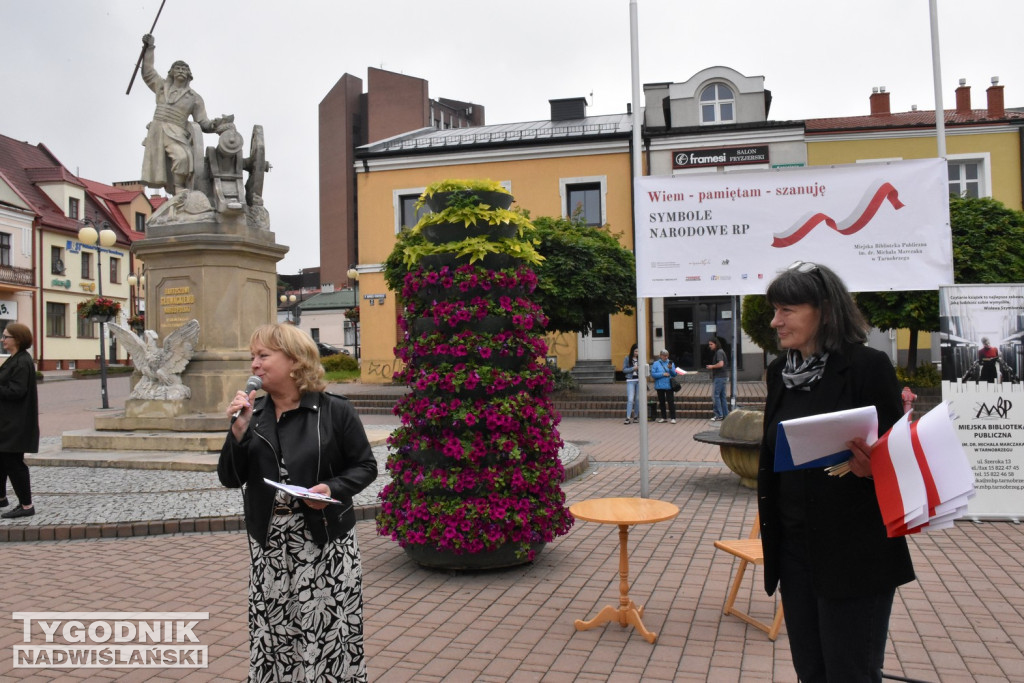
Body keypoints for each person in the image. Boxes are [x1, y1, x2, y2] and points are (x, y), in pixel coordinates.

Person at [758, 261, 915, 682]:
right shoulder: (779, 374)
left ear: (825, 311)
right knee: (811, 670)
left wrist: (871, 468)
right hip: (794, 552)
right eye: (775, 310)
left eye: (786, 310)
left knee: (851, 673)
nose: (775, 321)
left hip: (854, 553)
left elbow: (900, 462)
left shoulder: (867, 367)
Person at [219, 323, 377, 682]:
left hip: (323, 543)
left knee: (327, 635)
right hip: (270, 546)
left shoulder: (335, 411)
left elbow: (366, 466)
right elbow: (230, 477)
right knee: (273, 635)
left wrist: (332, 490)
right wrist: (237, 434)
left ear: (294, 360)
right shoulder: (253, 417)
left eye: (263, 356)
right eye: (252, 358)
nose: (255, 365)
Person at [139, 33, 230, 196]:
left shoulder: (194, 98)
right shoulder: (161, 86)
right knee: (162, 164)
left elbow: (203, 122)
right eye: (178, 68)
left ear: (189, 75)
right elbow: (148, 72)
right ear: (172, 72)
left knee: (182, 158)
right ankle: (177, 191)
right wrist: (149, 48)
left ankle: (179, 187)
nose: (181, 71)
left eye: (184, 69)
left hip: (177, 132)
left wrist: (216, 125)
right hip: (158, 131)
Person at [0, 323, 40, 519]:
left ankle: (26, 505)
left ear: (17, 339)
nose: (2, 339)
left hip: (15, 424)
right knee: (2, 459)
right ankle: (1, 498)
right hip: (9, 421)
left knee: (14, 463)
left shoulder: (22, 362)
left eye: (6, 336)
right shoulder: (16, 359)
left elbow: (17, 391)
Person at [706, 337, 730, 422]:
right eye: (709, 344)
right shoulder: (720, 351)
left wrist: (712, 366)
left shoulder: (719, 352)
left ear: (716, 344)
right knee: (722, 396)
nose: (710, 346)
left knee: (715, 396)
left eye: (711, 344)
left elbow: (721, 364)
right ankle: (725, 414)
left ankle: (719, 415)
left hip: (719, 377)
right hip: (723, 376)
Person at [651, 349, 677, 424]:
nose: (666, 357)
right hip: (659, 385)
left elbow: (674, 374)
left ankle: (673, 418)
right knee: (661, 402)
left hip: (669, 385)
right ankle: (664, 417)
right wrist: (662, 374)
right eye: (664, 355)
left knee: (670, 401)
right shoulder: (656, 363)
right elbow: (653, 374)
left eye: (667, 355)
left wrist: (670, 369)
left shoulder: (670, 363)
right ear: (660, 356)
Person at [623, 343, 641, 424]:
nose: (637, 353)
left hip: (639, 380)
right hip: (630, 380)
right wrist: (634, 368)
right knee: (630, 399)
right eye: (635, 351)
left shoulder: (641, 358)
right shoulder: (627, 358)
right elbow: (624, 370)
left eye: (638, 351)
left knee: (637, 399)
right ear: (632, 351)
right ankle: (628, 417)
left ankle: (636, 416)